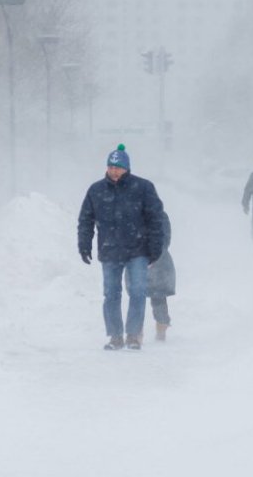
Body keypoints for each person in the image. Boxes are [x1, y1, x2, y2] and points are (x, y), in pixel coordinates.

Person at [78, 144, 165, 351]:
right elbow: (86, 219)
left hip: (138, 250)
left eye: (118, 167)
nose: (114, 171)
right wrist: (84, 243)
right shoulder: (96, 190)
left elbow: (155, 219)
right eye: (110, 166)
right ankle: (115, 336)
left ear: (127, 168)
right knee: (111, 293)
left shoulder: (143, 188)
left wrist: (155, 247)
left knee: (137, 291)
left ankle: (133, 335)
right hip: (110, 250)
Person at [126, 210, 176, 341]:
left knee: (156, 297)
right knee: (144, 297)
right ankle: (138, 333)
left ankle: (159, 329)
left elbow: (165, 240)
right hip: (140, 260)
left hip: (155, 261)